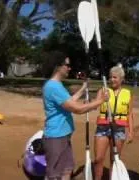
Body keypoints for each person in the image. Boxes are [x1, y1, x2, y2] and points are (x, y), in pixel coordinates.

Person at [42, 51, 107, 180]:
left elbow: (69, 102)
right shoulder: (53, 86)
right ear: (58, 66)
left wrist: (83, 88)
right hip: (56, 136)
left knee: (67, 169)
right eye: (67, 65)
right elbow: (77, 109)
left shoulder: (57, 85)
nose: (69, 67)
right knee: (54, 175)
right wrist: (100, 101)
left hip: (63, 136)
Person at [93, 65, 134, 180]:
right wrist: (101, 99)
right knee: (98, 159)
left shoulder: (128, 93)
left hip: (119, 130)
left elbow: (129, 114)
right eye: (110, 77)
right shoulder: (103, 90)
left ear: (122, 79)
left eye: (115, 77)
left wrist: (131, 131)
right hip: (103, 128)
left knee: (114, 160)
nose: (112, 80)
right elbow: (94, 106)